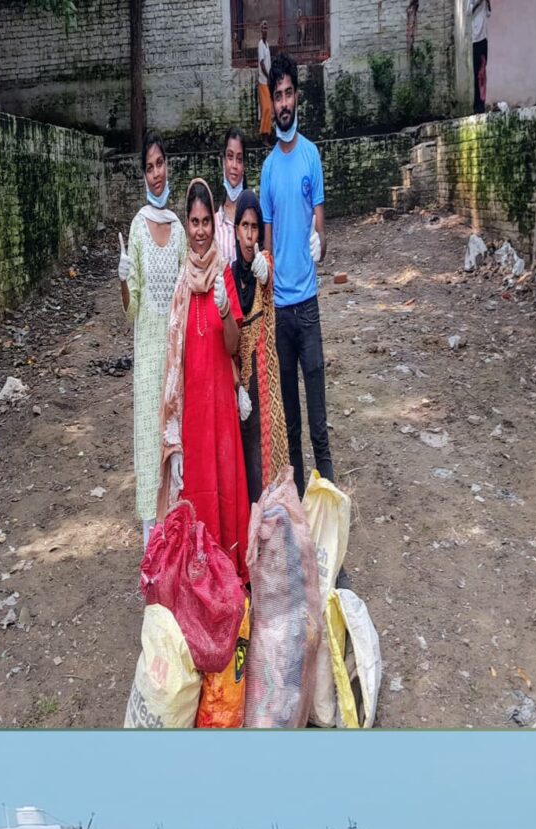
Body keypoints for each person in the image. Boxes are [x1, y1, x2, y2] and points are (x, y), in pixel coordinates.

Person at [153, 180, 250, 564]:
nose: (200, 231)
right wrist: (172, 430)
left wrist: (227, 311)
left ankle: (228, 571)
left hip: (221, 407)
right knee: (199, 489)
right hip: (193, 409)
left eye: (206, 221)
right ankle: (197, 573)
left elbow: (232, 347)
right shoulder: (181, 284)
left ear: (213, 222)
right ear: (186, 225)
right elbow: (173, 363)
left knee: (225, 486)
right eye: (193, 222)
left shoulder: (224, 274)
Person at [261, 55, 332, 489]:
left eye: (289, 93)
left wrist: (320, 243)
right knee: (290, 429)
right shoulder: (268, 169)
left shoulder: (311, 157)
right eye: (278, 96)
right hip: (280, 314)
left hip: (307, 310)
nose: (284, 103)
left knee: (319, 425)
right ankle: (302, 522)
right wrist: (262, 284)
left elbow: (320, 220)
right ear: (272, 102)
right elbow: (266, 242)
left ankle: (332, 533)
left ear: (297, 97)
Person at [119, 133, 186, 533]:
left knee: (176, 446)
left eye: (160, 164)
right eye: (149, 167)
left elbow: (184, 296)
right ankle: (151, 543)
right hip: (147, 358)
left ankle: (175, 534)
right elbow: (133, 309)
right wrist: (124, 279)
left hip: (176, 359)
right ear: (143, 175)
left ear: (168, 167)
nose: (157, 173)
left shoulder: (179, 228)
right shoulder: (138, 227)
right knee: (149, 447)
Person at [230, 192, 291, 501]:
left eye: (254, 226)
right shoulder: (227, 274)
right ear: (235, 229)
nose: (250, 234)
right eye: (244, 226)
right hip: (238, 386)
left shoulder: (263, 263)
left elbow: (269, 276)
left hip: (264, 383)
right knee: (240, 462)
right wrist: (235, 382)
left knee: (263, 462)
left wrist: (264, 270)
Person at [215, 128, 252, 267]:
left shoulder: (253, 216)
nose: (234, 166)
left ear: (244, 166)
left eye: (239, 159)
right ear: (223, 161)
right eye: (230, 157)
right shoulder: (213, 222)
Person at [469, 0, 491, 110]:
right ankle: (476, 105)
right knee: (477, 74)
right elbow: (468, 11)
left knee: (483, 73)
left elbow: (488, 14)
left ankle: (482, 103)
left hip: (484, 38)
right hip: (475, 40)